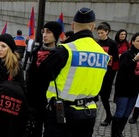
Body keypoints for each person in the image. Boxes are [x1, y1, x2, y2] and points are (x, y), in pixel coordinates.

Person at [37, 7, 109, 137]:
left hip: (62, 112)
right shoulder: (103, 54)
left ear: (73, 25)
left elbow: (41, 74)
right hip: (89, 112)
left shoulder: (65, 50)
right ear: (92, 27)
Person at [25, 21, 62, 137]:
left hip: (53, 100)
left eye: (49, 32)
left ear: (56, 35)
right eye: (43, 32)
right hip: (35, 99)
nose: (44, 35)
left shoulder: (62, 54)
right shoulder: (36, 53)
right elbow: (29, 76)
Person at [111, 32, 139, 137]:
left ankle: (119, 132)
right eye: (138, 41)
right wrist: (135, 60)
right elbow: (123, 70)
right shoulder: (127, 54)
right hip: (123, 89)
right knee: (120, 112)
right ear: (132, 41)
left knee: (127, 114)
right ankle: (114, 134)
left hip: (134, 90)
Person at [96, 23, 119, 126]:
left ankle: (108, 115)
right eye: (98, 33)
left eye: (102, 33)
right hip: (97, 73)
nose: (100, 35)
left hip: (108, 74)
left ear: (107, 32)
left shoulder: (112, 44)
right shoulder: (96, 43)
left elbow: (116, 60)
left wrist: (111, 75)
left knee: (105, 98)